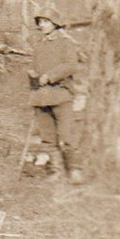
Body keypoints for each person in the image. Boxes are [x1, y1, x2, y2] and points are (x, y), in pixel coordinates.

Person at [26, 13, 87, 184]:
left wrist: (50, 76)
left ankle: (75, 169)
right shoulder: (38, 46)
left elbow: (71, 65)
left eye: (46, 22)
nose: (42, 25)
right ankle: (55, 170)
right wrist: (32, 74)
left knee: (67, 136)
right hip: (40, 97)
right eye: (40, 22)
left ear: (55, 24)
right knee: (47, 138)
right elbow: (34, 67)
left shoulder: (66, 43)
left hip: (61, 94)